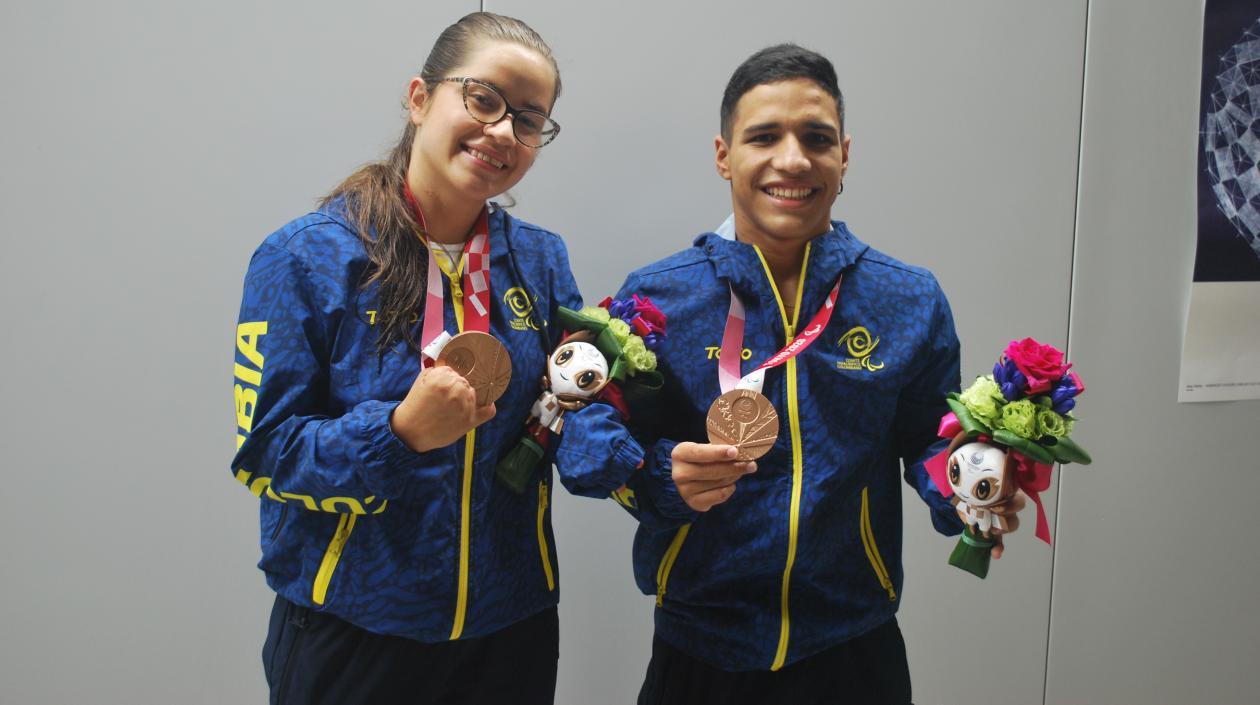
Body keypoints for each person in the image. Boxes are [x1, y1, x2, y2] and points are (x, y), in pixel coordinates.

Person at [555, 44, 1024, 704]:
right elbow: (585, 434)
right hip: (699, 650)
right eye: (765, 136)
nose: (794, 159)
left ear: (844, 156)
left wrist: (968, 489)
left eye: (817, 138)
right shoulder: (659, 296)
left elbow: (931, 440)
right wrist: (658, 474)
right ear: (724, 155)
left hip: (852, 649)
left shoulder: (908, 299)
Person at [230, 12, 637, 705]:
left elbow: (560, 405)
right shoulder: (304, 257)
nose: (504, 131)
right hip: (354, 634)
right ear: (419, 98)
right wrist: (397, 434)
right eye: (483, 99)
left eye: (530, 119)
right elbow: (266, 456)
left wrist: (626, 453)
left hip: (511, 631)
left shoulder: (538, 258)